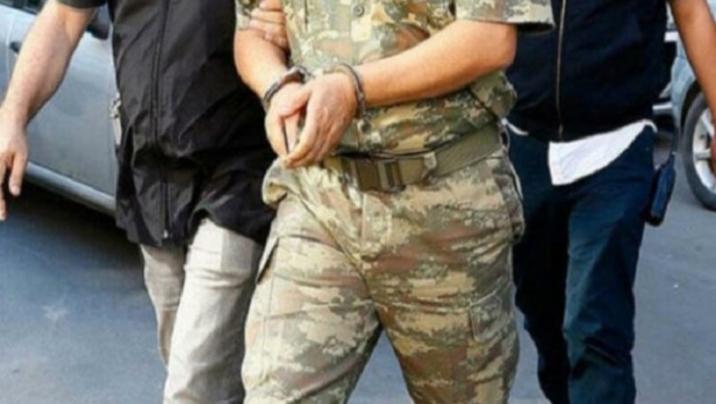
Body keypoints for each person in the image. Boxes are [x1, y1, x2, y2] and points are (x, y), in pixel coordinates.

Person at [233, 0, 553, 402]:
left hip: (445, 208)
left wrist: (352, 89)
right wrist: (279, 87)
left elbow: (491, 38)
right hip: (321, 198)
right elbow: (251, 30)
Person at [0, 1, 286, 402]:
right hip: (152, 176)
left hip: (237, 174)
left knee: (193, 384)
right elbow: (63, 20)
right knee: (192, 363)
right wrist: (12, 117)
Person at [505, 1, 716, 403]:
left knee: (595, 325)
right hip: (524, 142)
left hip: (616, 143)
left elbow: (691, 13)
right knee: (542, 314)